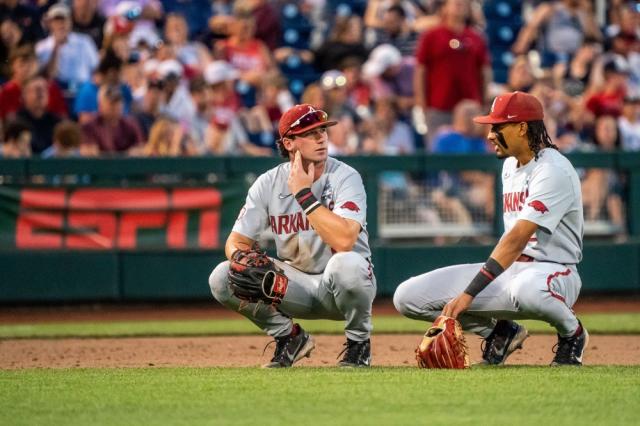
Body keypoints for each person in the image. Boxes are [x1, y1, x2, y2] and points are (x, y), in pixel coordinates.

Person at [394, 91, 589, 366]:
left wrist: (468, 294)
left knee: (527, 291)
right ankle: (501, 331)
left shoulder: (553, 169)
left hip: (553, 271)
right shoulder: (510, 165)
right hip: (510, 271)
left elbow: (518, 238)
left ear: (522, 128)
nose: (489, 134)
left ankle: (573, 333)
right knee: (407, 297)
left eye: (498, 127)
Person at [209, 104, 376, 368]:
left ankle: (359, 343)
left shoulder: (345, 176)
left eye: (322, 130)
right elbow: (236, 241)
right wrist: (240, 257)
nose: (321, 137)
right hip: (293, 287)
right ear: (289, 143)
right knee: (222, 275)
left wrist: (304, 194)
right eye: (310, 133)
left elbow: (344, 240)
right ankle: (289, 338)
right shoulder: (268, 182)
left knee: (347, 263)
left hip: (341, 287)